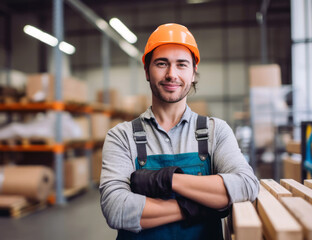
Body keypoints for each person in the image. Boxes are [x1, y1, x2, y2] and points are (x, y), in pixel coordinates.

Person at [99, 23, 259, 240]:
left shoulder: (215, 131)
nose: (171, 74)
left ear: (193, 73)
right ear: (147, 71)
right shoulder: (121, 136)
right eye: (161, 64)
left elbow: (246, 185)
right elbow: (116, 209)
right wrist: (200, 206)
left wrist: (168, 180)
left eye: (181, 64)